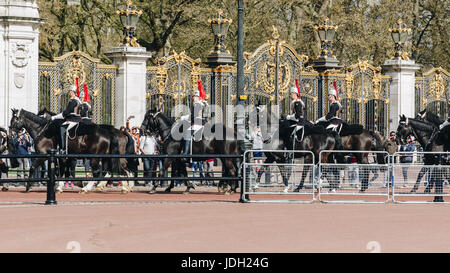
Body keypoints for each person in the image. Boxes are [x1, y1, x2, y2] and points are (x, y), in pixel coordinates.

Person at [51, 85, 82, 153]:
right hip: (76, 120)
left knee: (62, 129)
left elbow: (65, 113)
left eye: (70, 91)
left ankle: (64, 149)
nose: (69, 93)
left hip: (73, 120)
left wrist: (54, 117)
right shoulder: (78, 100)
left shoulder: (73, 101)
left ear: (73, 92)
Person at [181, 83, 208, 156]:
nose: (193, 98)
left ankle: (185, 152)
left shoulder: (198, 105)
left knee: (187, 134)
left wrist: (185, 118)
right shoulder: (202, 104)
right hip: (202, 123)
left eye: (195, 97)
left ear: (198, 97)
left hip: (198, 124)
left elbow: (193, 116)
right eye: (193, 97)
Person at [315, 81, 344, 149]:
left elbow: (329, 116)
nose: (328, 96)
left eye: (329, 95)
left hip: (334, 121)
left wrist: (319, 120)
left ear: (333, 96)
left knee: (325, 131)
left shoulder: (334, 105)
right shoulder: (335, 104)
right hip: (335, 120)